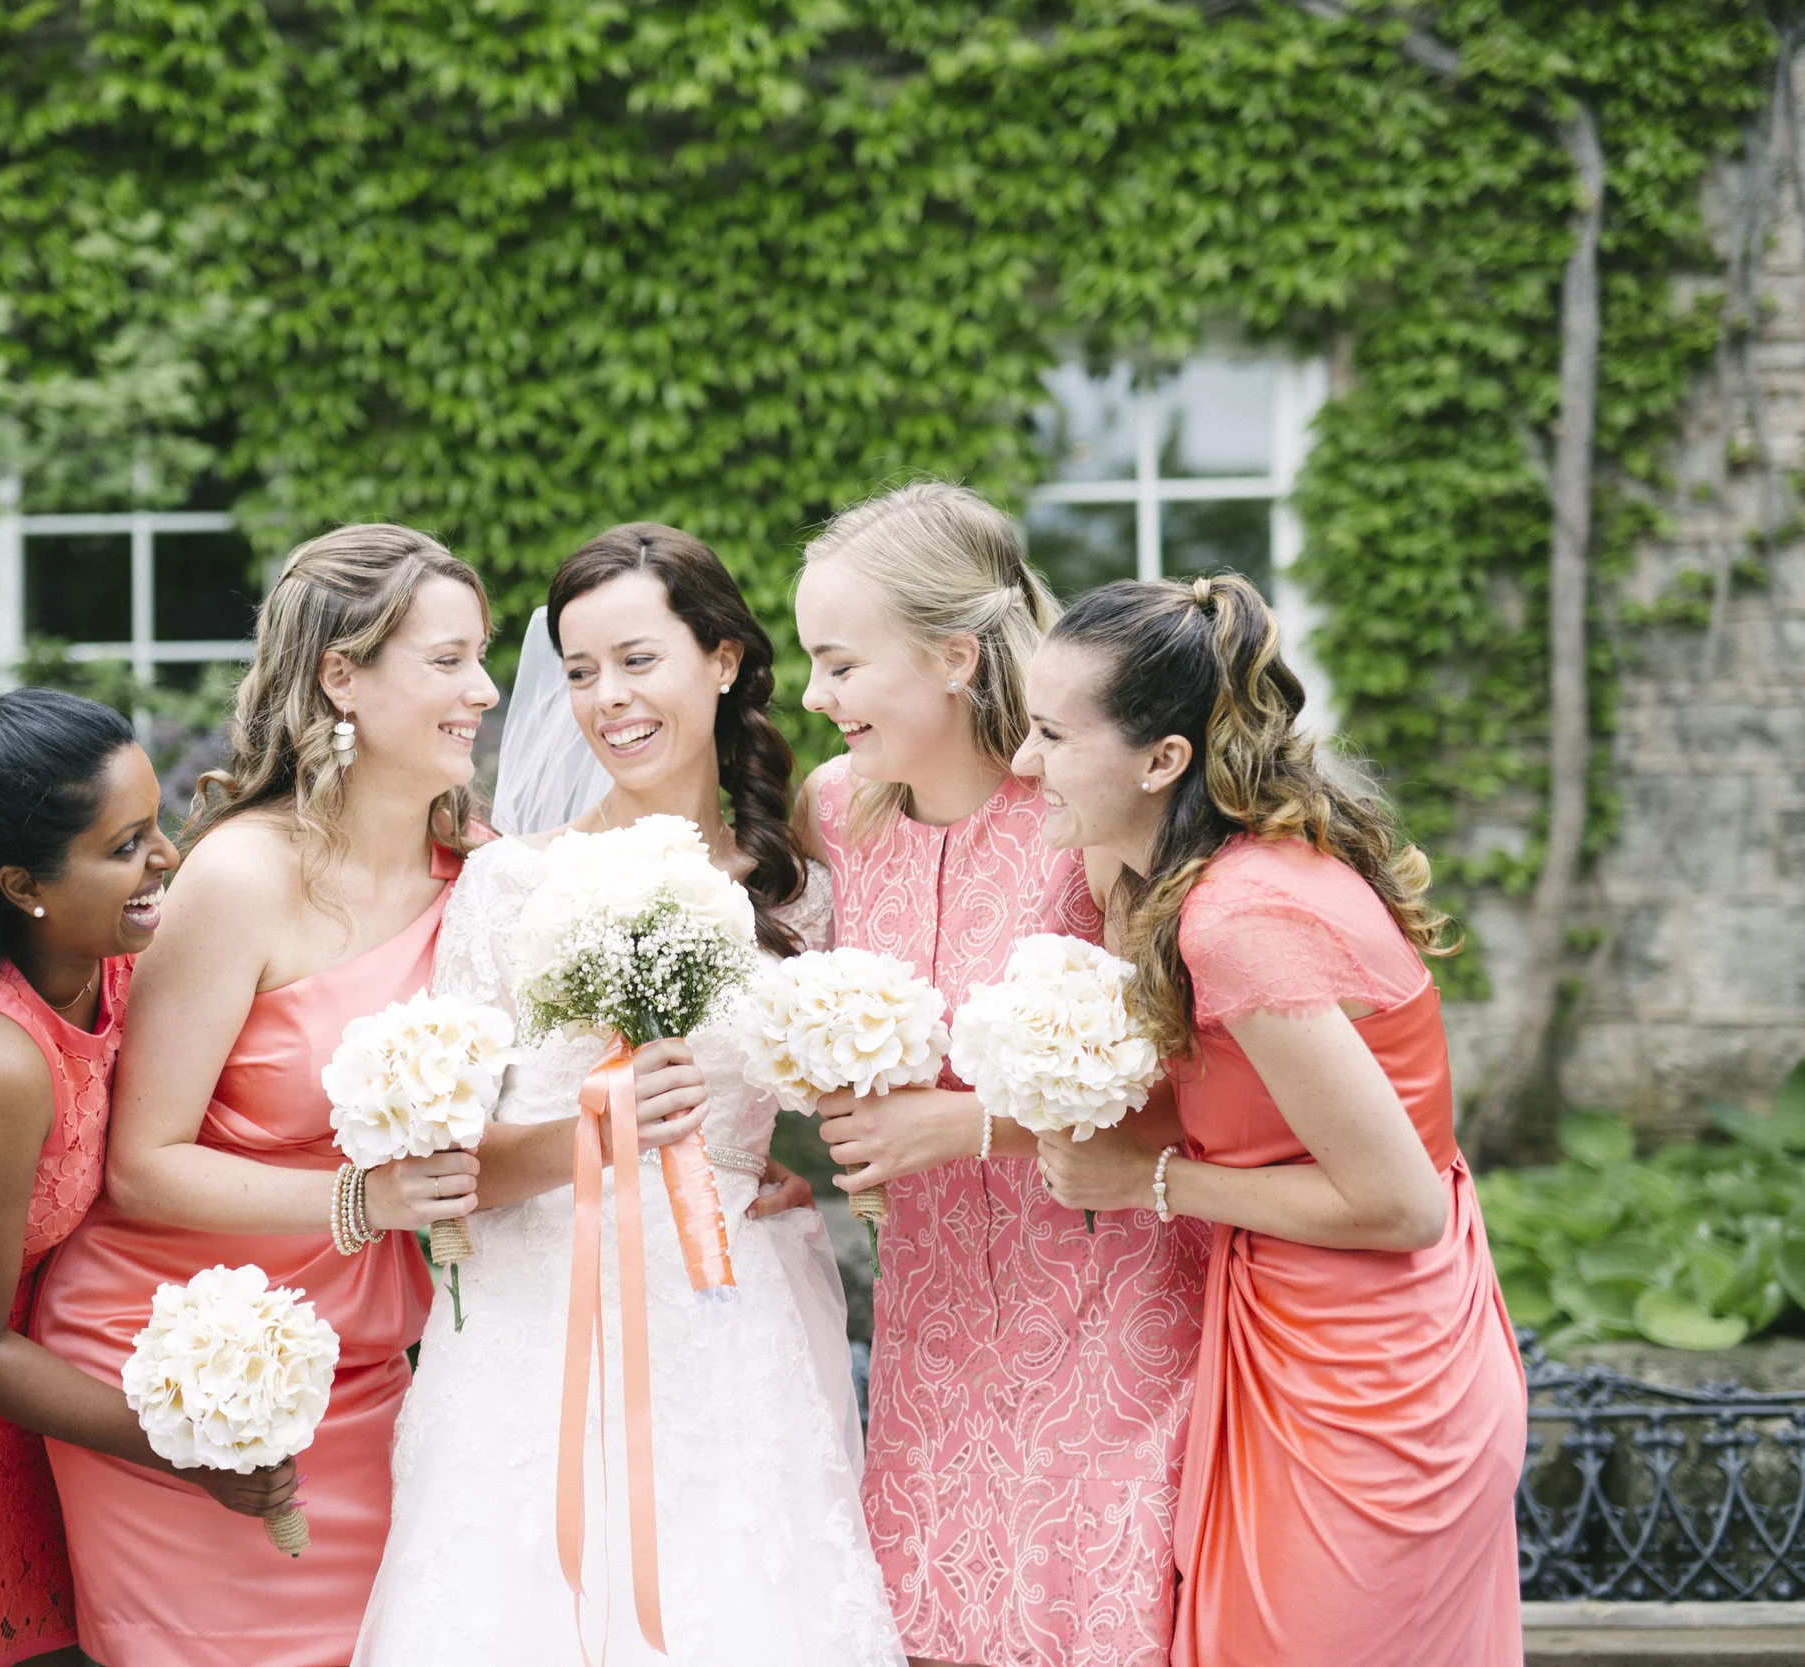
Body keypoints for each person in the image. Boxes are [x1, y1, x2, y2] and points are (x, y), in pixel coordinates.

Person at [356, 523, 905, 1665]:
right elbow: (444, 1172)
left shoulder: (801, 893)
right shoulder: (512, 882)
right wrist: (594, 1129)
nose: (606, 698)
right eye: (579, 670)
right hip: (530, 1334)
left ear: (722, 658)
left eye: (637, 659)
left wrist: (783, 1162)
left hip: (727, 1327)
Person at [1023, 574, 1525, 1667]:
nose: (1025, 761)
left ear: (1162, 760)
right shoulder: (1202, 863)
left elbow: (1398, 1203)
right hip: (1303, 1332)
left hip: (1368, 1384)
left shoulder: (1240, 920)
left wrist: (1144, 1181)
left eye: (1052, 736)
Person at [29, 524, 499, 1667]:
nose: (484, 690)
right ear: (342, 675)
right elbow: (143, 1161)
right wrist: (365, 1199)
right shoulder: (241, 875)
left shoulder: (484, 872)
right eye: (447, 660)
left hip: (366, 1366)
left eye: (481, 658)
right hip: (179, 1358)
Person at [793, 484, 1207, 1667]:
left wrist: (966, 1126)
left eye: (839, 664)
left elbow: (1194, 1094)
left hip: (1100, 1311)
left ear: (953, 657)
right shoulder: (833, 811)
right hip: (926, 1327)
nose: (814, 695)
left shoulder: (1087, 812)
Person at [0, 687, 292, 1667]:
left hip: (37, 1390)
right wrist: (189, 1449)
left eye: (158, 823)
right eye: (126, 845)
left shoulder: (111, 964)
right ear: (21, 884)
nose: (167, 857)